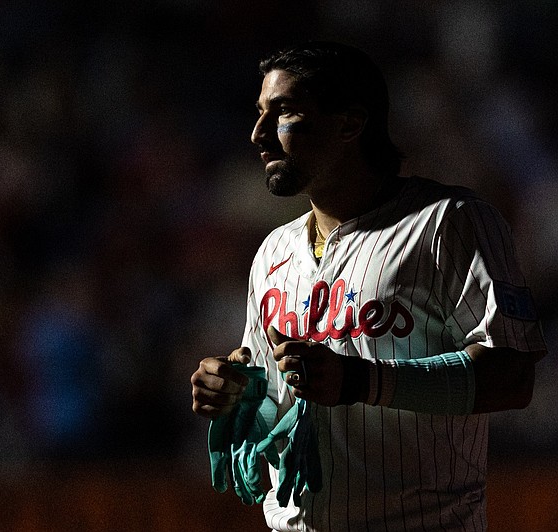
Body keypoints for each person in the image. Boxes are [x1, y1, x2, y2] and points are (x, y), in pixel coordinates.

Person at [190, 41, 547, 532]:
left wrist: (360, 380)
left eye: (285, 113)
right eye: (259, 114)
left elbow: (511, 375)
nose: (259, 135)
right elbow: (283, 406)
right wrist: (237, 392)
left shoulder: (449, 223)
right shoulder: (273, 251)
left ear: (350, 124)